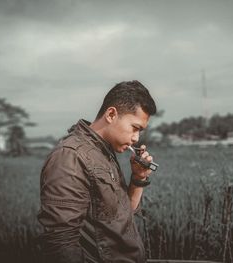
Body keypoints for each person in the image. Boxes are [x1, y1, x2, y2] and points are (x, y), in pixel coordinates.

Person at [37, 80, 157, 263]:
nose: (136, 138)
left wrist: (139, 178)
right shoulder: (70, 156)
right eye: (135, 128)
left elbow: (122, 216)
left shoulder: (104, 152)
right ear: (111, 114)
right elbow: (61, 243)